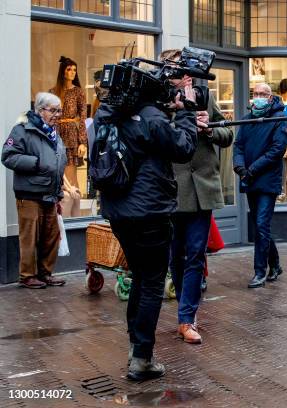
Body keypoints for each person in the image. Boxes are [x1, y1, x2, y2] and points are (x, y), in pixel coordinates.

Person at [94, 76, 197, 380]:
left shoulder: (106, 114)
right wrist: (187, 112)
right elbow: (184, 148)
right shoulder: (152, 117)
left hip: (118, 212)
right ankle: (142, 358)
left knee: (139, 277)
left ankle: (135, 347)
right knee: (151, 283)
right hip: (150, 212)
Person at [159, 49, 234, 344]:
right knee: (175, 257)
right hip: (172, 190)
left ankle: (187, 318)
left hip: (203, 188)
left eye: (190, 70)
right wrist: (184, 120)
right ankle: (184, 309)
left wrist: (210, 129)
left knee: (195, 255)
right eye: (181, 70)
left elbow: (227, 135)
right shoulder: (159, 101)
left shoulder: (204, 95)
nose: (188, 75)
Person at [2, 92, 67, 289]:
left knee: (51, 236)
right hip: (29, 193)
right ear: (40, 111)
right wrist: (35, 163)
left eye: (59, 110)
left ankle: (45, 273)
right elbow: (8, 156)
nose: (57, 114)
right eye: (53, 110)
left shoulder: (55, 134)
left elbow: (58, 164)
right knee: (29, 237)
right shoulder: (22, 130)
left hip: (50, 193)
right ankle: (27, 276)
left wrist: (59, 195)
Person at [233, 83, 287, 288]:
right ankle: (275, 264)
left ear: (271, 97)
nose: (258, 97)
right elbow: (238, 145)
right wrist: (239, 167)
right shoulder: (247, 119)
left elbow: (277, 150)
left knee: (261, 225)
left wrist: (253, 168)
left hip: (267, 181)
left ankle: (260, 272)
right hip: (249, 178)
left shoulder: (279, 119)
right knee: (260, 225)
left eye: (262, 94)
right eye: (255, 94)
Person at [50, 56, 88, 195]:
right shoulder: (53, 92)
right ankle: (62, 211)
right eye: (69, 69)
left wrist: (82, 142)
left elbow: (83, 117)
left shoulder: (78, 92)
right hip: (56, 133)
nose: (73, 72)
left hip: (72, 134)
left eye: (74, 70)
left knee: (71, 176)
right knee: (58, 175)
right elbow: (48, 118)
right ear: (63, 72)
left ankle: (75, 213)